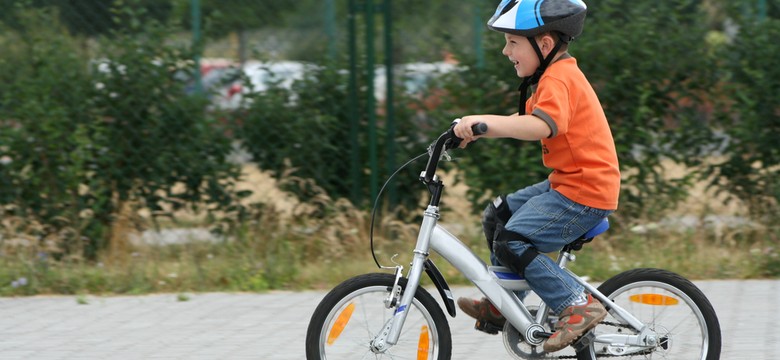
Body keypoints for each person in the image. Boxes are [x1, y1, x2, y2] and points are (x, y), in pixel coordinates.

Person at [452, 0, 620, 353]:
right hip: (569, 182)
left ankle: (577, 304)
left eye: (513, 42)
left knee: (511, 239)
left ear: (544, 45)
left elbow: (540, 125)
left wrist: (484, 123)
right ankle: (504, 306)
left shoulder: (560, 77)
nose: (505, 51)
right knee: (498, 215)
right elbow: (526, 119)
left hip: (584, 190)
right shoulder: (551, 77)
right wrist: (477, 128)